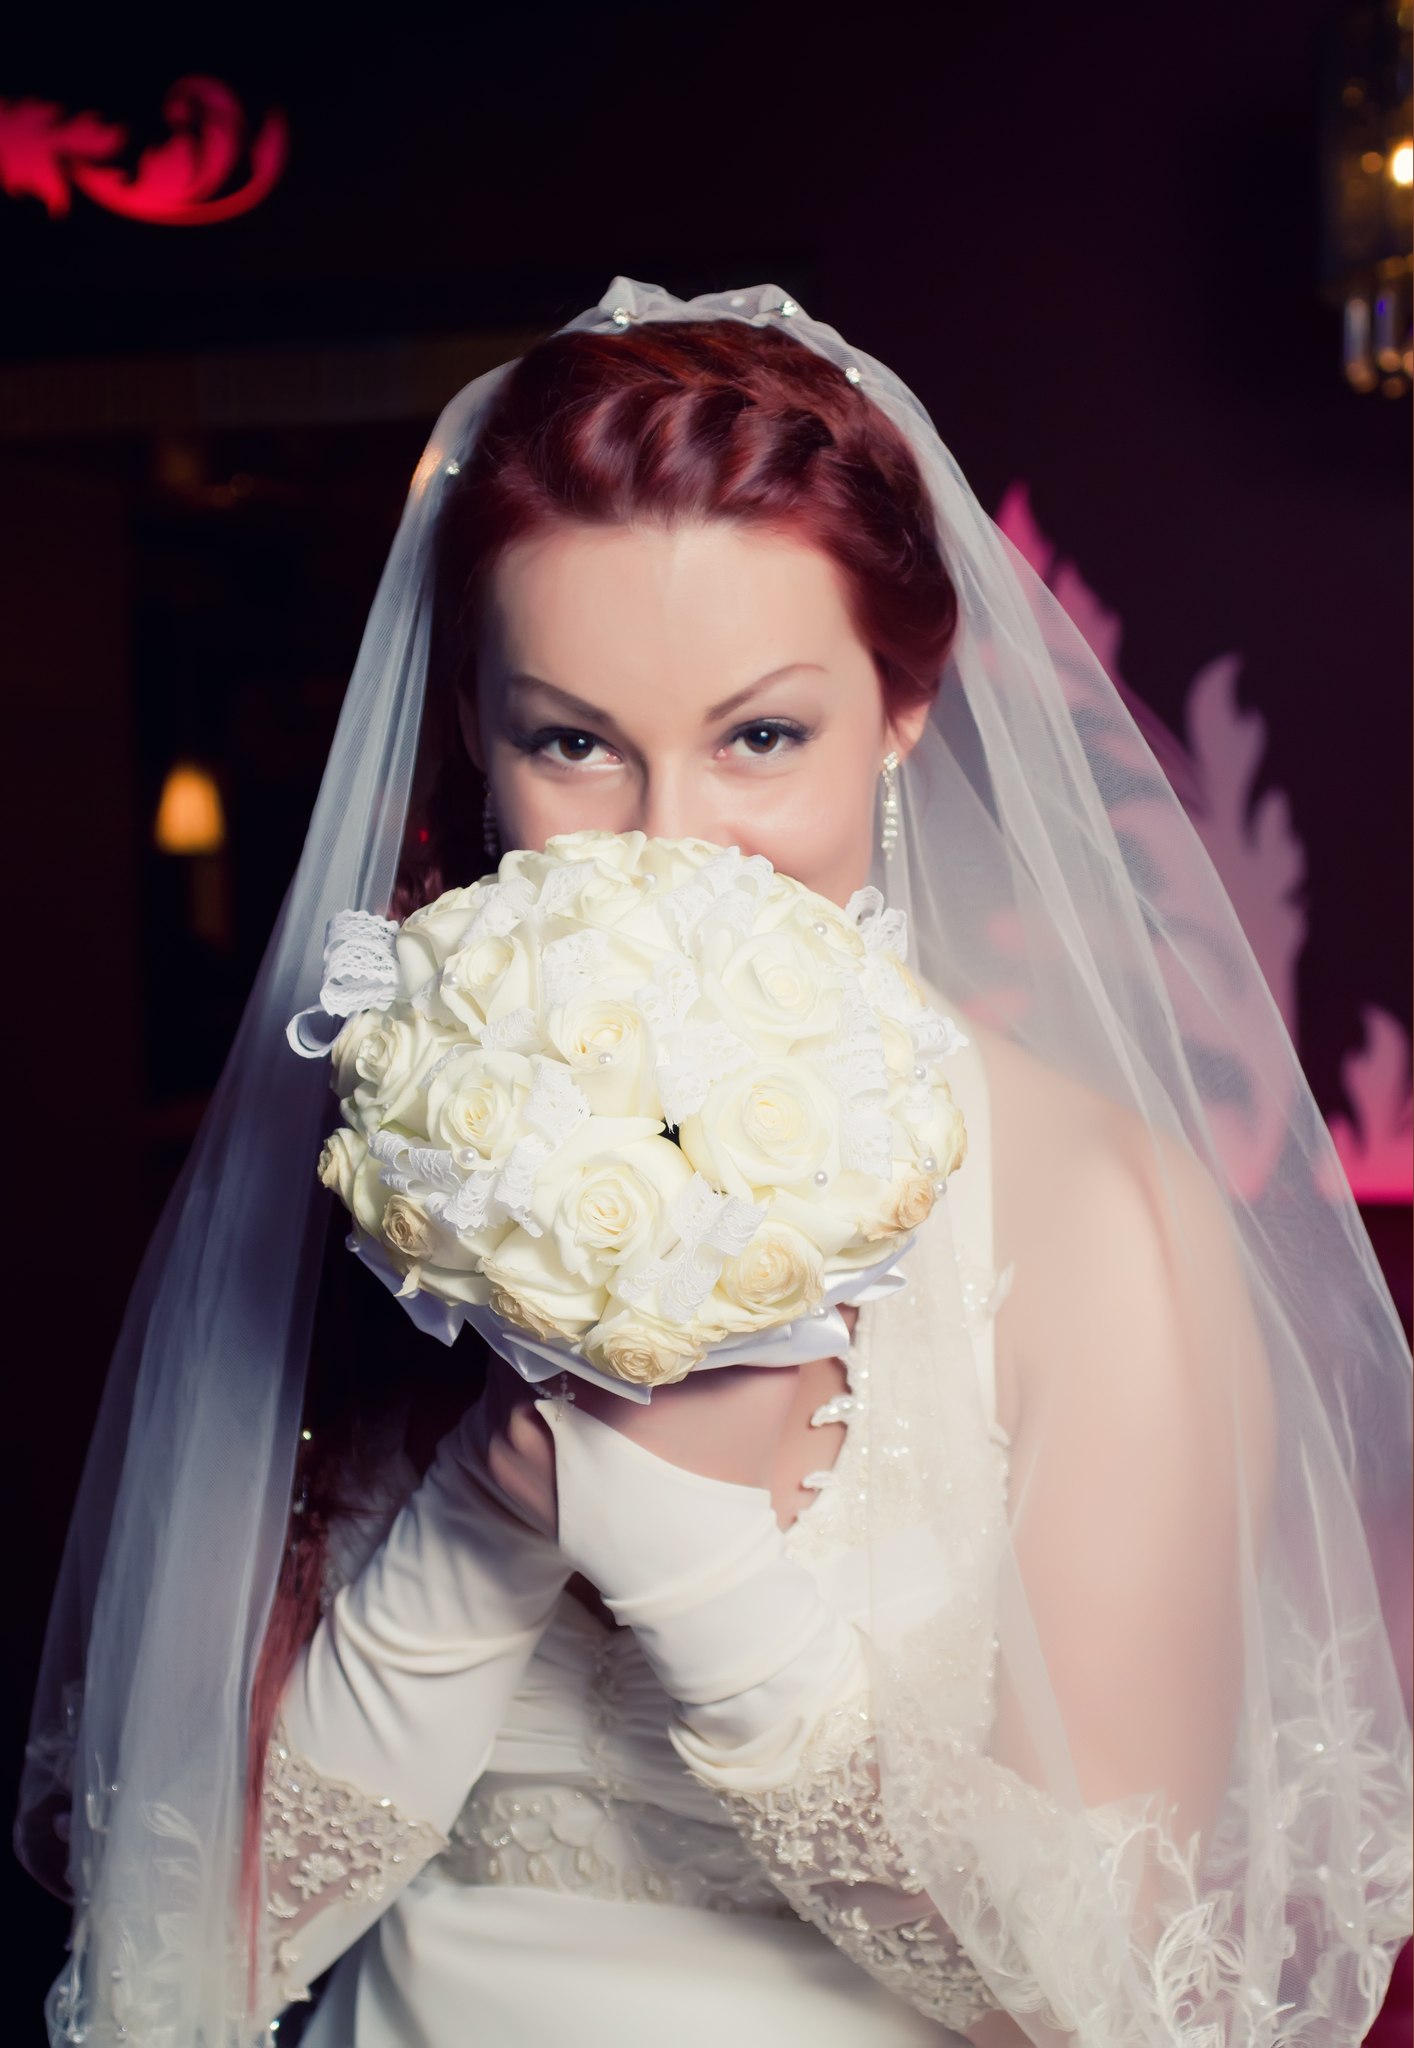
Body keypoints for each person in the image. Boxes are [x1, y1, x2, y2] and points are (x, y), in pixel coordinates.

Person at [17, 279, 1412, 2048]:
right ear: (475, 738)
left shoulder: (1093, 1215)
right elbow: (166, 1975)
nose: (670, 845)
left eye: (759, 737)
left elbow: (1119, 2000)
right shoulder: (388, 1156)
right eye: (573, 742)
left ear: (901, 709)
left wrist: (683, 1554)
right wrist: (485, 1522)